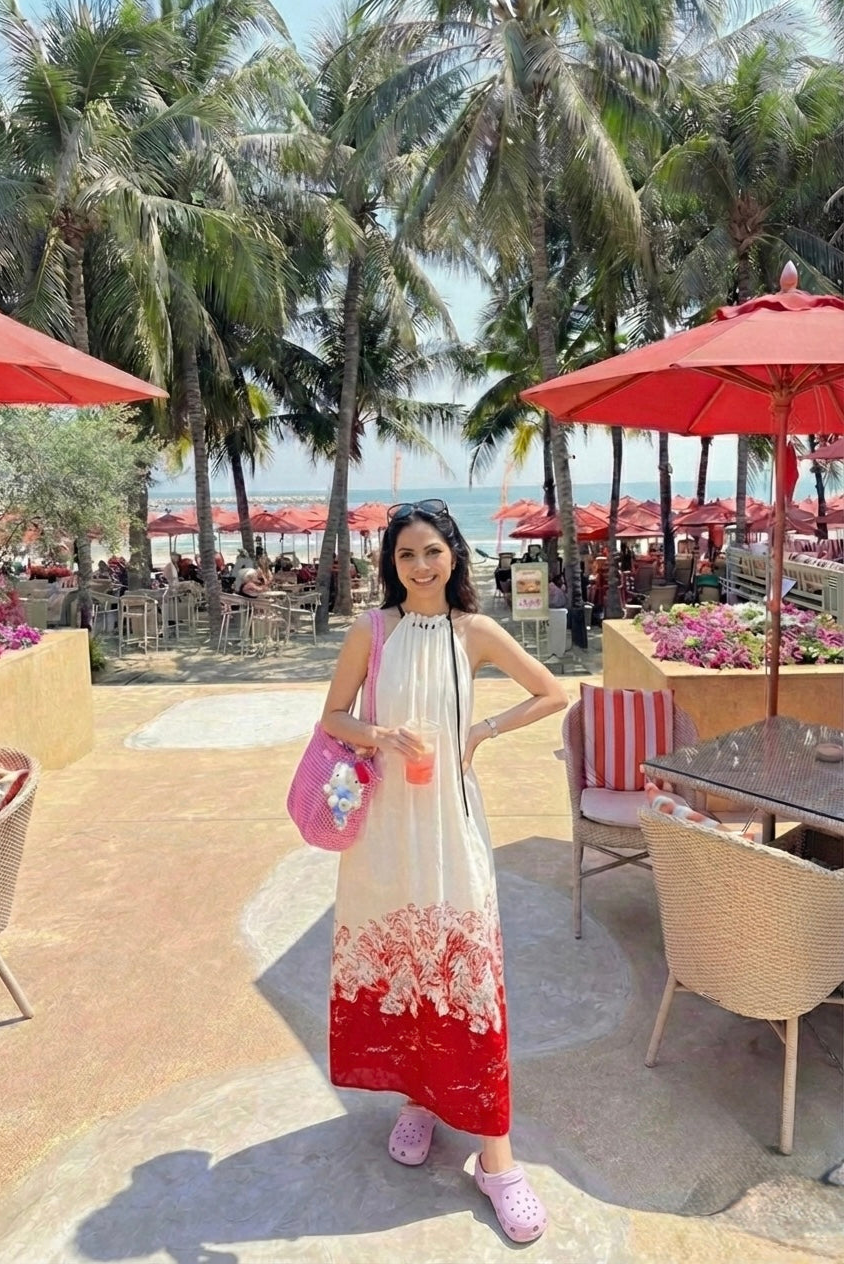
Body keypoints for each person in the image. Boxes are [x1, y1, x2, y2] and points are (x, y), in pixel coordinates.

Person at [320, 499, 568, 1244]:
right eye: (406, 555)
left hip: (452, 826)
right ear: (390, 565)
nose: (420, 566)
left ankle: (497, 1160)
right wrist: (379, 733)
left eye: (432, 551)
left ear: (453, 554)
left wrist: (480, 732)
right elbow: (333, 716)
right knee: (406, 965)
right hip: (385, 829)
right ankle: (418, 1099)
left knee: (467, 974)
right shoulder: (372, 631)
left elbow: (552, 692)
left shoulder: (475, 631)